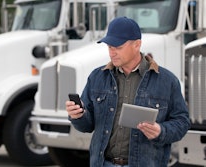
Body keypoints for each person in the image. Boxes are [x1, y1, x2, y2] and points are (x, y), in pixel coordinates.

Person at [65, 17, 191, 167]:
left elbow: (182, 122)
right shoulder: (97, 77)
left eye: (118, 47)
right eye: (110, 47)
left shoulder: (167, 81)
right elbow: (86, 126)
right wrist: (78, 116)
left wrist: (161, 131)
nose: (112, 53)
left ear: (137, 45)